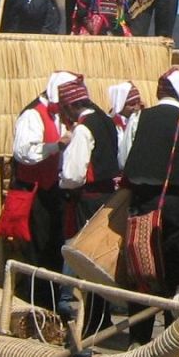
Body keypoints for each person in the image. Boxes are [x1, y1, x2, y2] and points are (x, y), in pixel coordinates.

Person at [124, 69, 179, 299]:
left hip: (142, 198)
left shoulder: (139, 117)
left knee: (142, 257)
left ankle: (140, 330)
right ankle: (173, 325)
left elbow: (124, 156)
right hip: (177, 202)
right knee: (176, 260)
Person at [54, 77, 121, 319]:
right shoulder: (107, 122)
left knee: (78, 249)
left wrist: (61, 181)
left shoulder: (83, 129)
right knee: (98, 252)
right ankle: (100, 313)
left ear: (71, 106)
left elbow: (73, 175)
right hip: (106, 198)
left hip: (87, 198)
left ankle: (69, 306)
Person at [10, 72, 75, 293]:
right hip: (35, 192)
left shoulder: (57, 115)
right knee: (37, 249)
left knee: (53, 247)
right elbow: (24, 151)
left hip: (52, 190)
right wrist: (56, 146)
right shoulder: (32, 115)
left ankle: (52, 301)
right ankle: (36, 303)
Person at [106, 81, 145, 169]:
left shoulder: (140, 120)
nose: (136, 108)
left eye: (138, 103)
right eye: (131, 104)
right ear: (121, 104)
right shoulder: (110, 124)